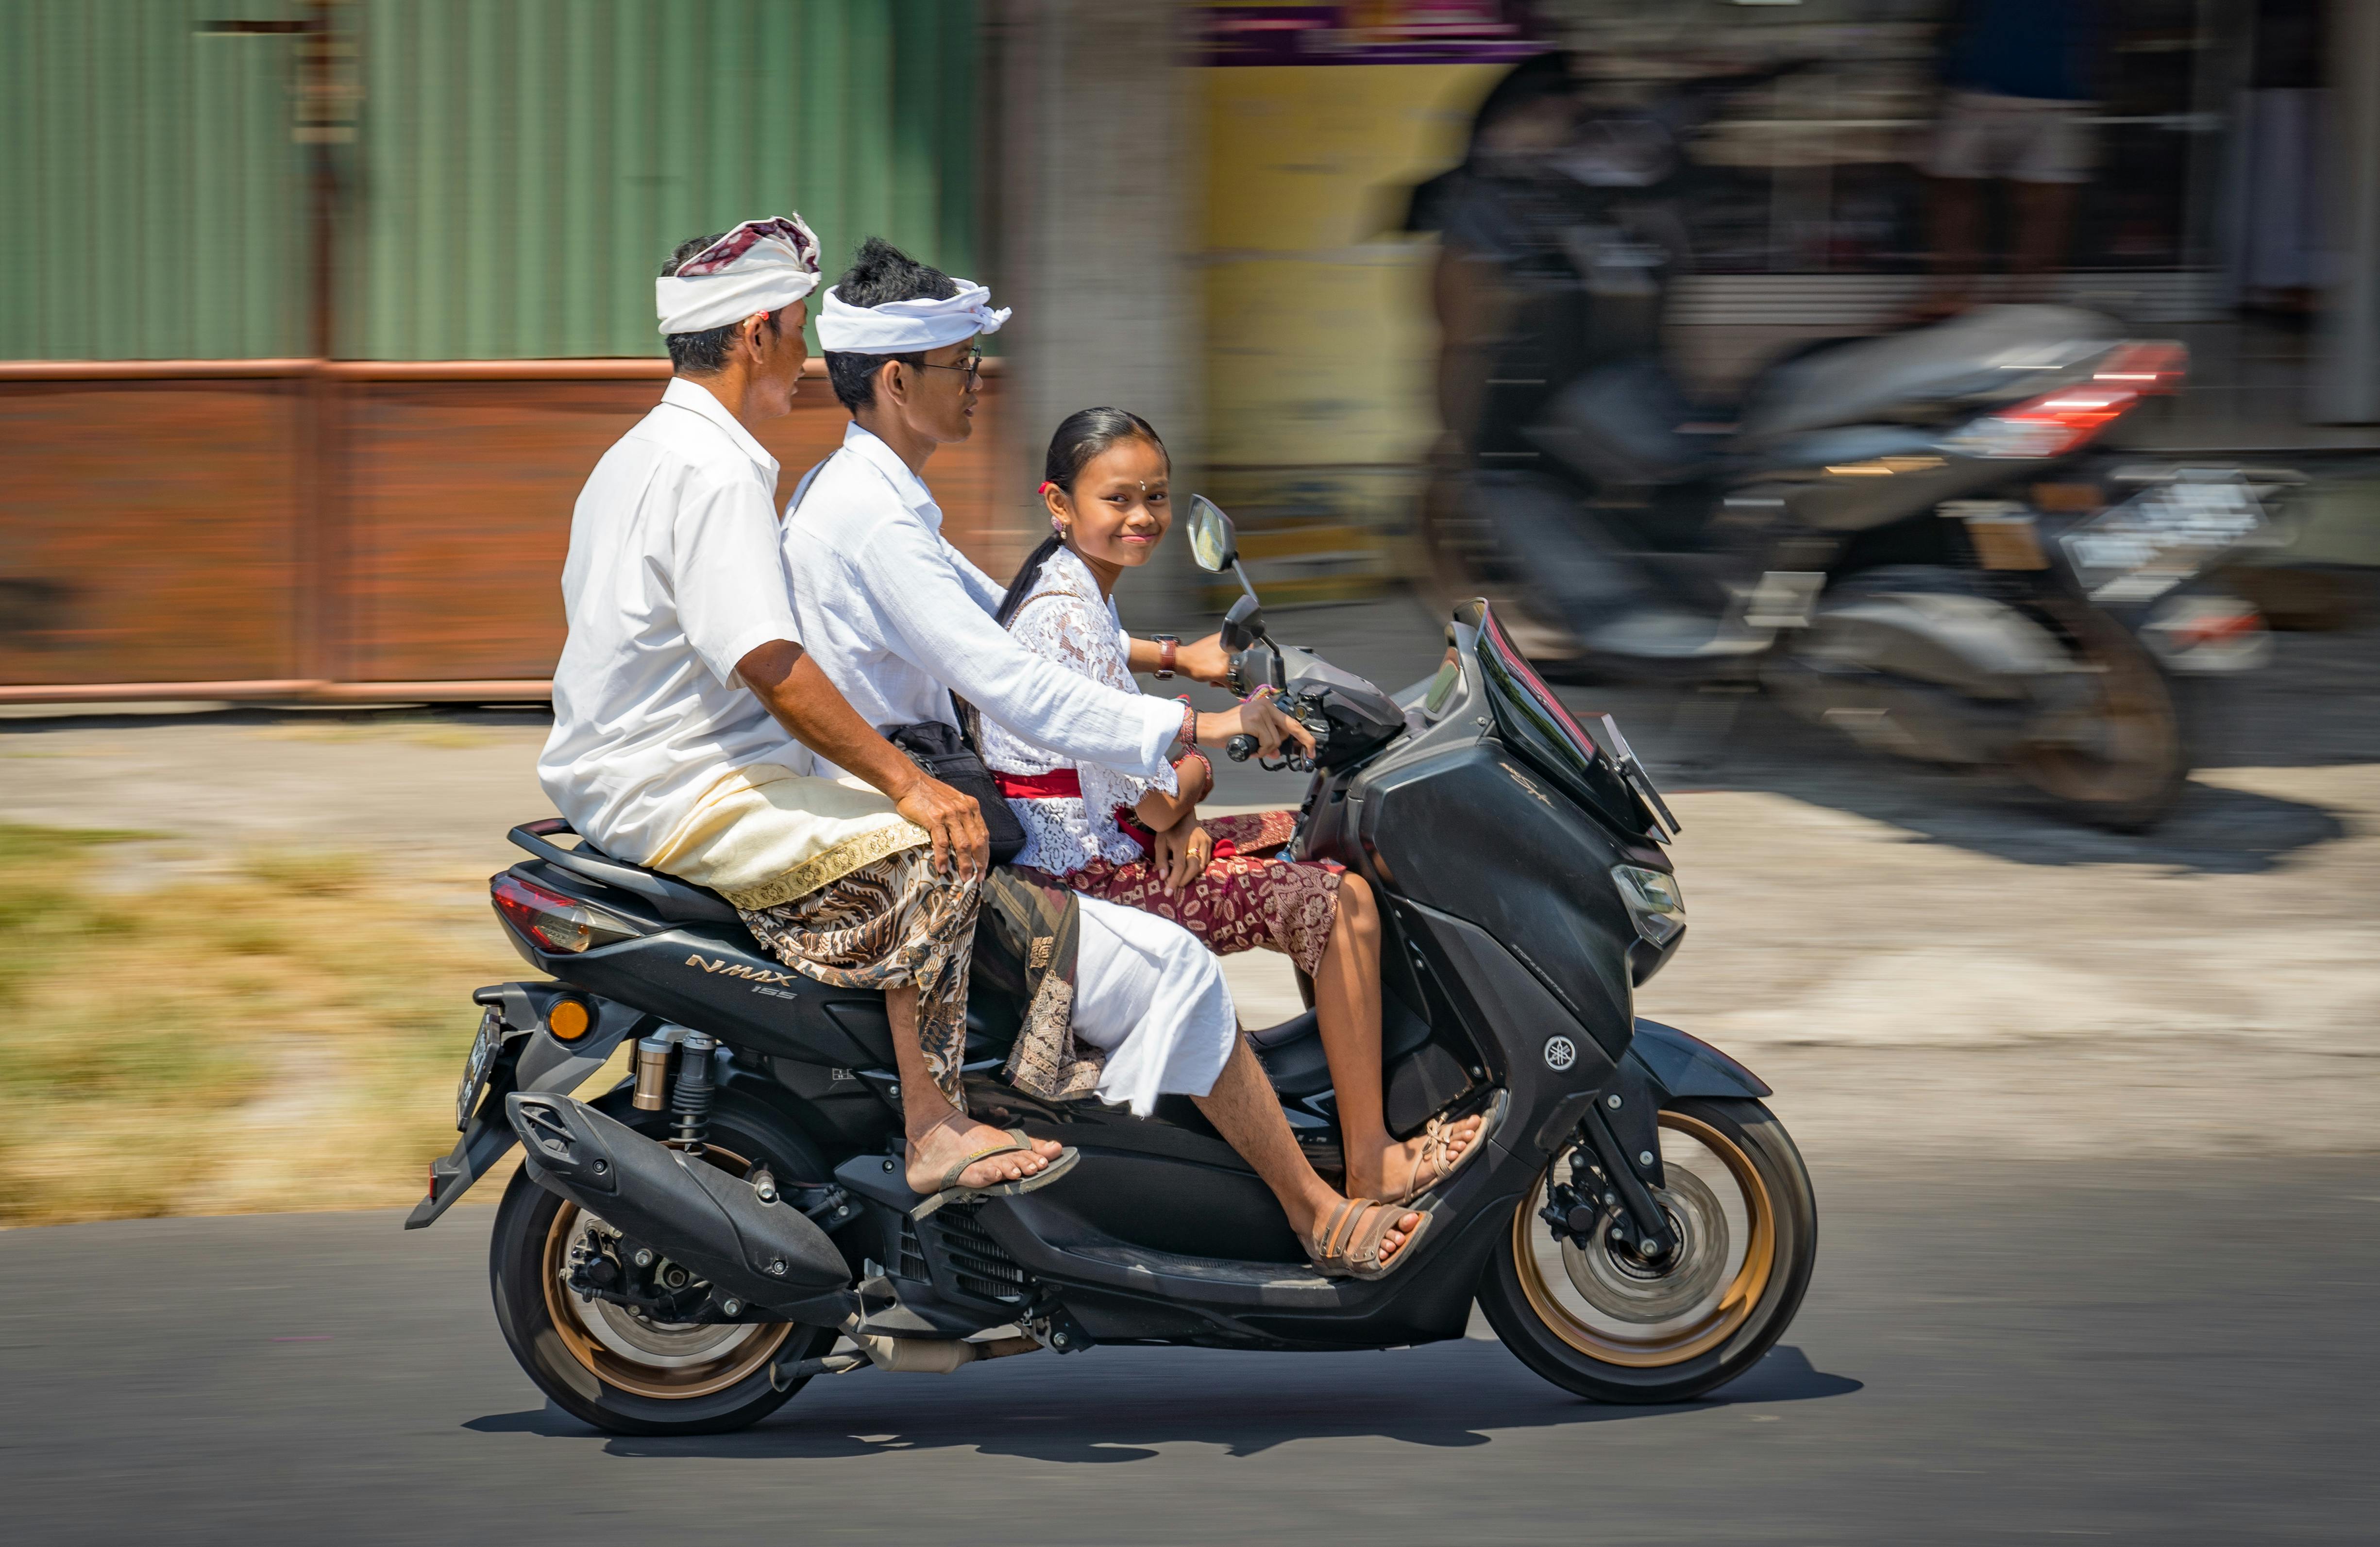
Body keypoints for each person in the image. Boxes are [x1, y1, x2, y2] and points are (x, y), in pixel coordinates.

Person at [782, 237, 1428, 1277]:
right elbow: (1009, 677)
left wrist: (1175, 659)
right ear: (899, 382)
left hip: (945, 807)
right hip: (929, 832)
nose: (979, 387)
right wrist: (1195, 730)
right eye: (963, 367)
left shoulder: (877, 497)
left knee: (1305, 854)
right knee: (1195, 954)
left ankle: (1347, 1145)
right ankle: (1318, 1208)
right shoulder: (871, 520)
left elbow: (997, 618)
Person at [538, 213, 1053, 1206]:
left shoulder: (636, 453)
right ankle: (935, 1126)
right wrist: (907, 783)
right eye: (796, 329)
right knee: (939, 849)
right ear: (752, 335)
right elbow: (769, 661)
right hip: (683, 786)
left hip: (625, 776)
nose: (808, 359)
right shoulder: (720, 466)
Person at [981, 407, 1485, 1205]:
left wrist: (1182, 657)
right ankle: (1370, 1159)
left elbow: (1116, 663)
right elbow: (1154, 801)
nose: (1142, 516)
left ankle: (1345, 1064)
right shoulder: (1064, 614)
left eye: (1155, 496)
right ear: (1059, 503)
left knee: (1315, 828)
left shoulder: (1068, 582)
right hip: (1085, 881)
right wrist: (1194, 781)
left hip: (1105, 844)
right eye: (1117, 500)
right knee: (1340, 900)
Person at [1918, 0, 2108, 316]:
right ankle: (1953, 293)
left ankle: (2020, 302)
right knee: (1954, 189)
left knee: (2040, 202)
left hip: (2053, 85)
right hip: (1984, 78)